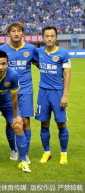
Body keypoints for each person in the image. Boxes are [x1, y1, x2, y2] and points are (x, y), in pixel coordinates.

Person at [0, 22, 38, 163]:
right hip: (8, 92)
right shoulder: (2, 49)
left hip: (26, 90)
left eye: (19, 31)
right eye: (13, 31)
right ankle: (13, 150)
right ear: (8, 33)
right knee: (11, 122)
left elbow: (40, 64)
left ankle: (24, 153)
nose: (16, 33)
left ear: (23, 33)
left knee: (26, 121)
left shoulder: (31, 48)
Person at [35, 26, 71, 165]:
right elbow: (35, 62)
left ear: (56, 37)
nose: (49, 38)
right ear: (43, 37)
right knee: (44, 123)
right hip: (43, 92)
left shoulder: (63, 53)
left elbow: (67, 74)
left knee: (61, 123)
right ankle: (47, 152)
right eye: (46, 36)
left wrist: (65, 95)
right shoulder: (38, 52)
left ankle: (63, 153)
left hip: (57, 93)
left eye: (52, 36)